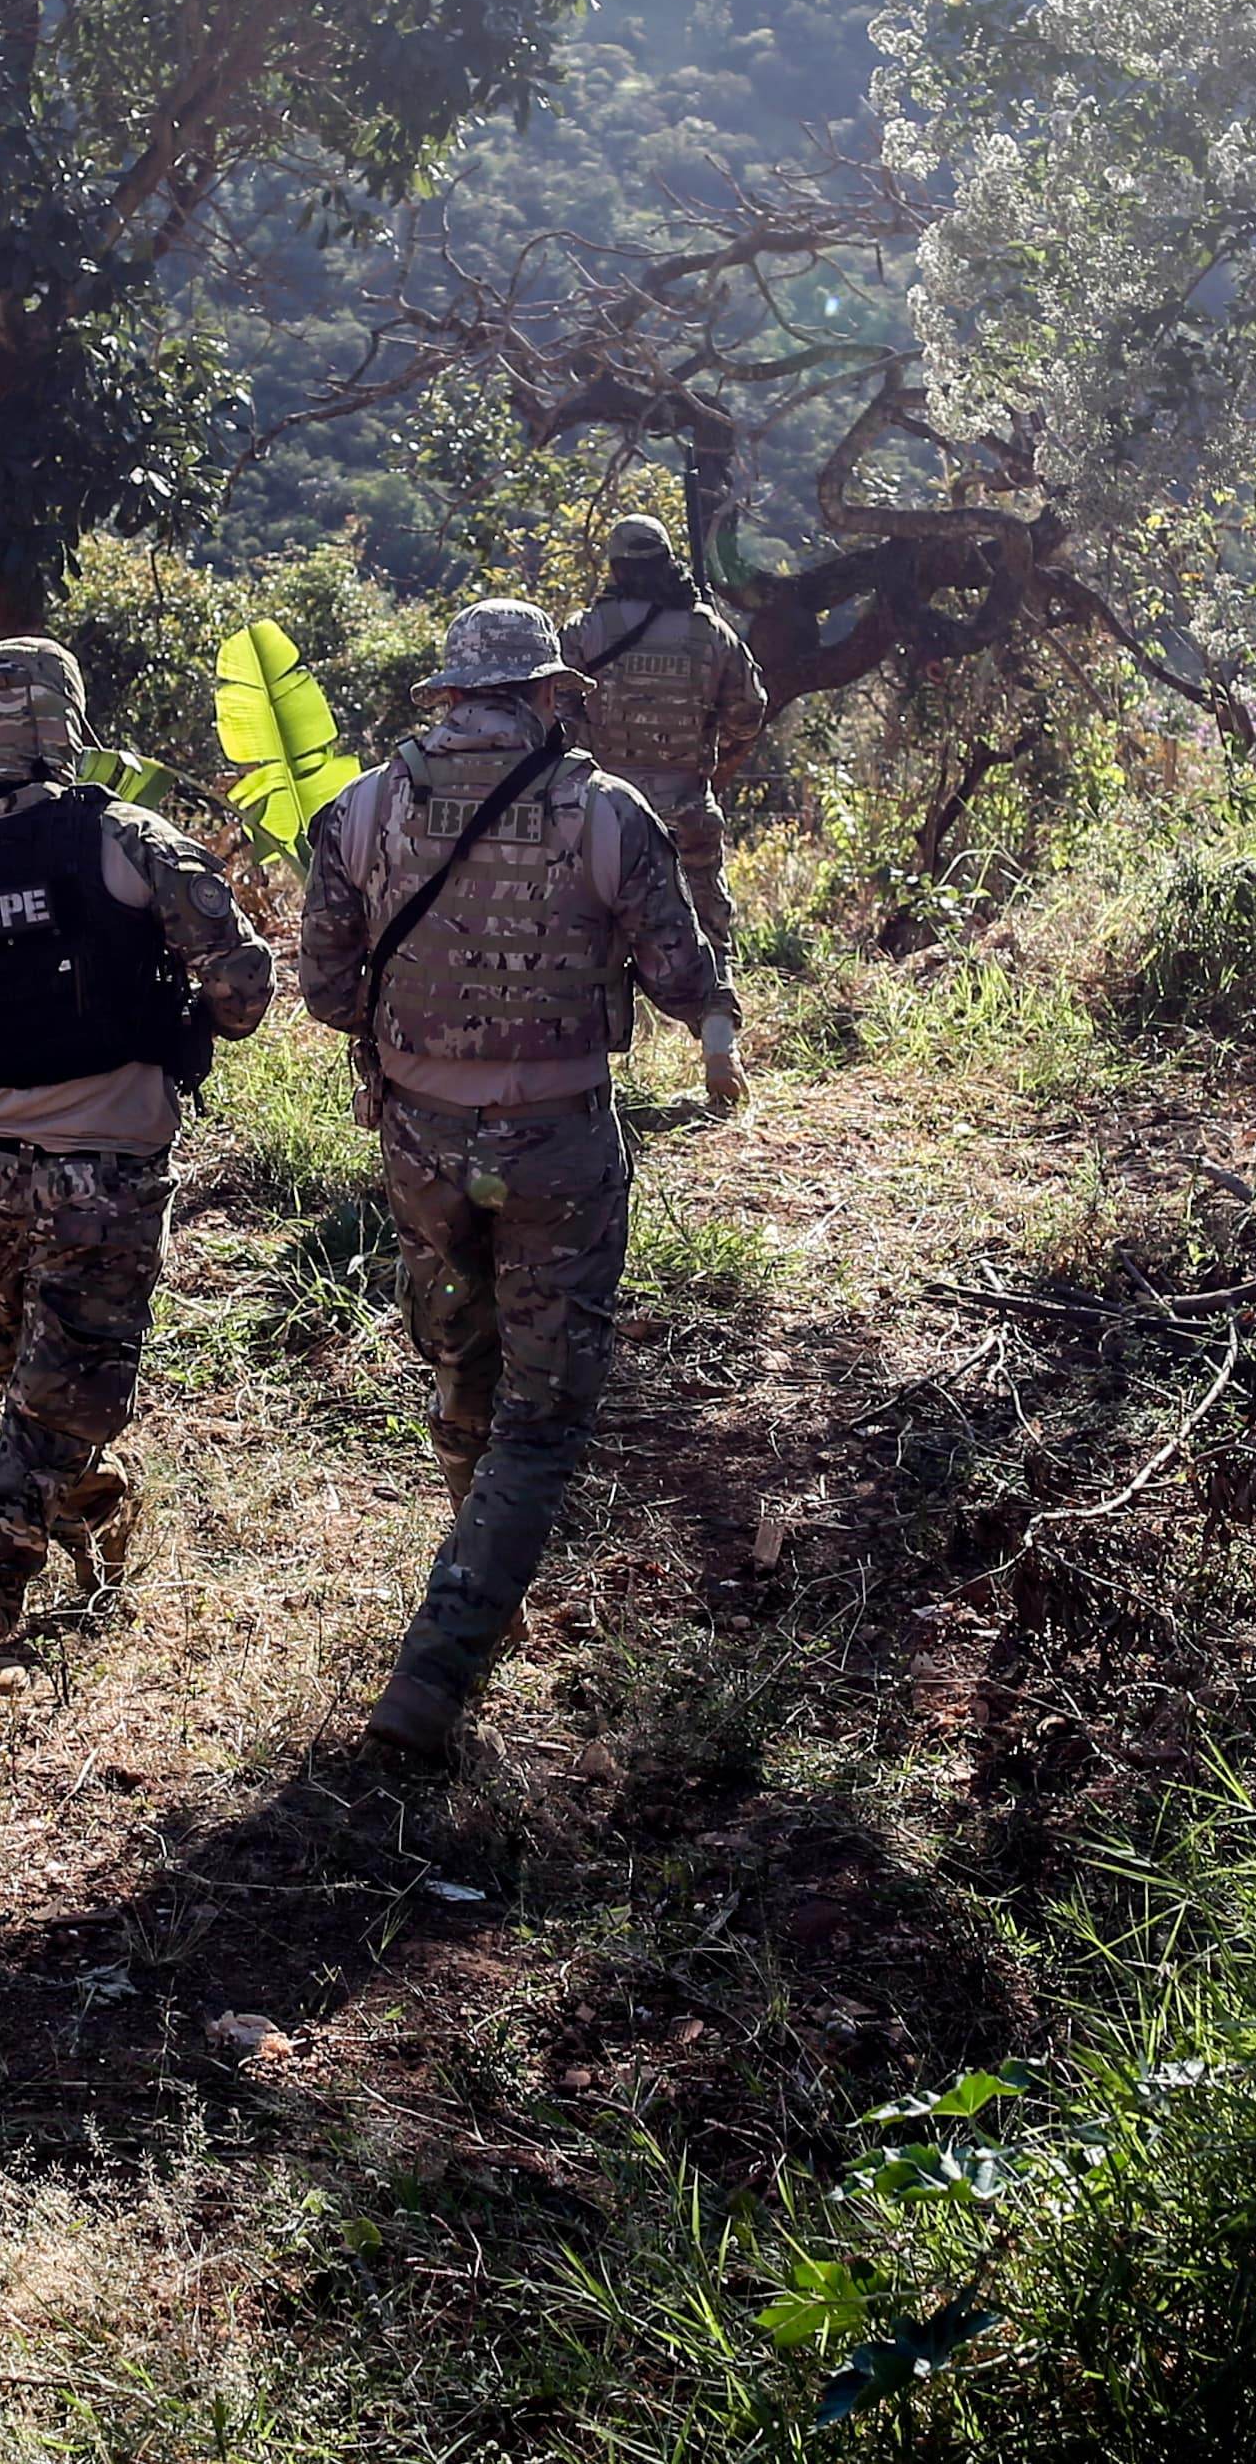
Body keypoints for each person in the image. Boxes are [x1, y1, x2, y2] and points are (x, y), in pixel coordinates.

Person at [295, 600, 743, 1761]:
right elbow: (675, 968)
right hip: (554, 1139)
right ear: (547, 693)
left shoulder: (358, 807)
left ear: (447, 695)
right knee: (542, 1419)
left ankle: (473, 1570)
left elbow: (329, 990)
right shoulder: (603, 810)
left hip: (419, 1134)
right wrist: (714, 1028)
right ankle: (438, 1667)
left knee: (462, 1357)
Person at [0, 635, 278, 1716]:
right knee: (52, 1418)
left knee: (43, 1386)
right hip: (105, 1178)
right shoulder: (127, 837)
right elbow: (238, 992)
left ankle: (91, 1503)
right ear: (67, 719)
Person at [565, 512, 772, 953]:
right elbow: (749, 714)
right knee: (708, 942)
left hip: (600, 814)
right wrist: (708, 749)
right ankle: (716, 1011)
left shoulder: (585, 630)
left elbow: (551, 715)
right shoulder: (709, 631)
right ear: (667, 561)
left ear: (616, 567)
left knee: (581, 936)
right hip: (686, 809)